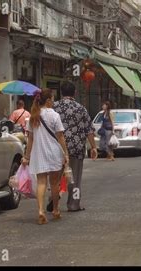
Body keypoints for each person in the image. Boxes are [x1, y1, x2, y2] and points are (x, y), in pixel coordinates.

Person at [22, 89, 69, 225]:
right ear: (48, 101)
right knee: (55, 184)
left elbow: (30, 139)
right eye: (53, 99)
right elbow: (60, 137)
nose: (53, 102)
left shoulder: (33, 115)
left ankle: (41, 211)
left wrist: (26, 156)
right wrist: (65, 153)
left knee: (41, 182)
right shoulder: (54, 115)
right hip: (54, 152)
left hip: (39, 153)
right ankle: (55, 210)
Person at [52, 81, 98, 213]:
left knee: (56, 177)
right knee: (75, 178)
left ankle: (53, 200)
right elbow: (89, 130)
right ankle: (73, 205)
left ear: (61, 92)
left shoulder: (54, 108)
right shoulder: (81, 108)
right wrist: (93, 147)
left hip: (57, 148)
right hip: (76, 148)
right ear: (74, 93)